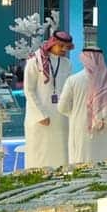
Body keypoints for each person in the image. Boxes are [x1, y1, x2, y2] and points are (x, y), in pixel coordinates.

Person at [59, 47, 107, 165]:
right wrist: (103, 114)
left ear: (84, 58)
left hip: (82, 130)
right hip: (106, 129)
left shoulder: (73, 80)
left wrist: (77, 114)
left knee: (82, 166)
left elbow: (62, 107)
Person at [23, 28, 74, 169]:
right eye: (61, 46)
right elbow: (29, 90)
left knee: (62, 157)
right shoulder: (35, 61)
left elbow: (68, 90)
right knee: (40, 157)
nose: (64, 50)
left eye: (67, 47)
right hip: (40, 119)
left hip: (61, 118)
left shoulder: (67, 63)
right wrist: (40, 115)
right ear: (52, 43)